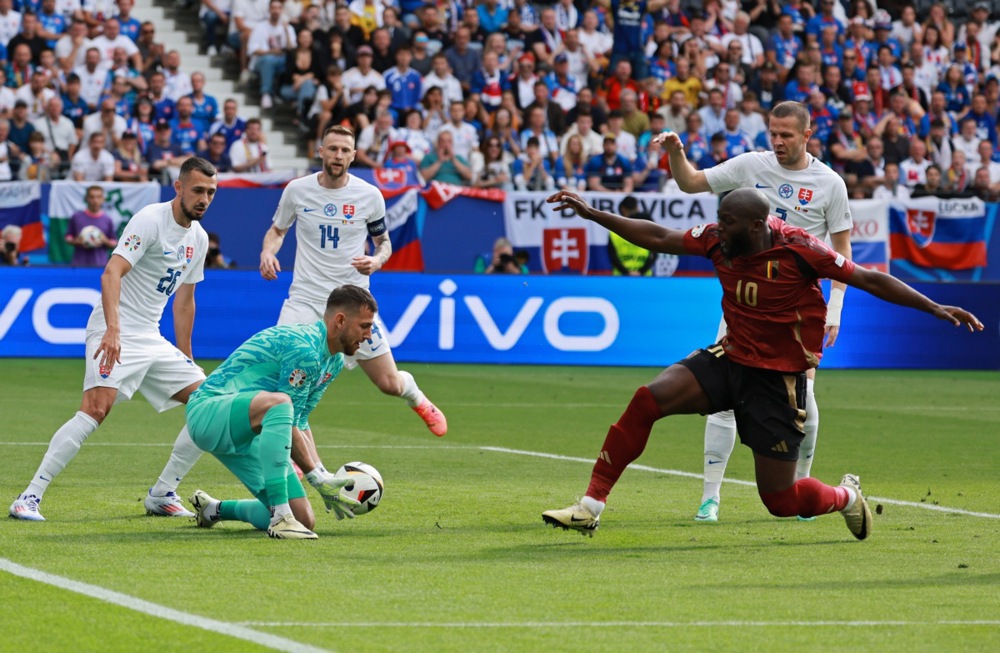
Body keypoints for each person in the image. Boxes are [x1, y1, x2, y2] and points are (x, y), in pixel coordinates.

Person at [541, 188, 984, 538]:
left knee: (781, 500)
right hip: (731, 357)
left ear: (755, 226)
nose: (717, 228)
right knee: (648, 399)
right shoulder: (719, 237)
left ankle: (846, 497)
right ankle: (590, 507)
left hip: (777, 379)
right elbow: (658, 236)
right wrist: (594, 214)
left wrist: (936, 307)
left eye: (727, 221)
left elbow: (869, 278)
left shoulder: (800, 249)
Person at [657, 100, 854, 524]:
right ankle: (710, 497)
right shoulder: (750, 166)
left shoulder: (830, 184)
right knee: (725, 400)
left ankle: (803, 488)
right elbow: (691, 182)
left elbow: (842, 254)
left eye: (786, 134)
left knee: (806, 400)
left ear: (806, 135)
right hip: (745, 302)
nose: (778, 141)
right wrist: (676, 151)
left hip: (796, 316)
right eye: (773, 133)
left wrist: (835, 310)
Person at [9, 158, 219, 521]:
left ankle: (162, 492)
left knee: (210, 406)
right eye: (198, 190)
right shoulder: (150, 220)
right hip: (114, 328)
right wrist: (113, 328)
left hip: (150, 337)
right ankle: (29, 497)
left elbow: (185, 302)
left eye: (211, 193)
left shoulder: (198, 239)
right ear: (179, 187)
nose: (204, 199)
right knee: (95, 408)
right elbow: (111, 274)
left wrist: (187, 358)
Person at [253, 125, 447, 502]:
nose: (339, 155)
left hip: (352, 303)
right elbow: (277, 231)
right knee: (285, 387)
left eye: (346, 150)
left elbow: (385, 242)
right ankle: (306, 465)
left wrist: (376, 260)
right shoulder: (298, 190)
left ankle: (417, 397)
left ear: (354, 155)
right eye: (333, 148)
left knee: (388, 383)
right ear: (320, 151)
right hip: (305, 301)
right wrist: (267, 251)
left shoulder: (369, 196)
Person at [185, 285, 376, 539]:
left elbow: (301, 420)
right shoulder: (305, 350)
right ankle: (280, 518)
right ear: (340, 321)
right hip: (208, 413)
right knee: (281, 403)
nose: (370, 334)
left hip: (250, 430)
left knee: (305, 519)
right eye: (364, 326)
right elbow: (286, 409)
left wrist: (323, 474)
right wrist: (316, 479)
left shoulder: (334, 360)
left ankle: (214, 509)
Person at [66, 185, 117, 267]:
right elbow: (68, 237)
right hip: (79, 265)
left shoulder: (107, 219)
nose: (95, 200)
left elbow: (114, 242)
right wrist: (76, 241)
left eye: (98, 197)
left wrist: (105, 240)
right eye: (92, 197)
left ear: (103, 199)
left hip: (100, 265)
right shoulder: (77, 217)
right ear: (86, 198)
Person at [608, 196, 655, 276]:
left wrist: (637, 272)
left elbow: (653, 254)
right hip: (626, 277)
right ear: (624, 210)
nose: (637, 212)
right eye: (634, 210)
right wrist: (635, 273)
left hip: (640, 276)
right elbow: (612, 257)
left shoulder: (647, 229)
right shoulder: (614, 232)